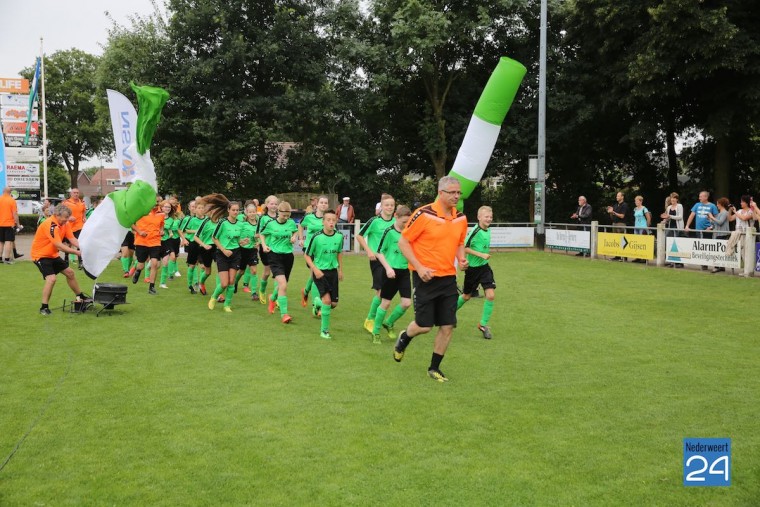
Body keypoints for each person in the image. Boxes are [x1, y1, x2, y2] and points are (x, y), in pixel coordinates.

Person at [393, 176, 469, 383]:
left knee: (447, 326)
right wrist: (419, 267)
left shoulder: (461, 218)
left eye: (458, 193)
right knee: (424, 326)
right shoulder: (423, 214)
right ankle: (405, 337)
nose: (456, 196)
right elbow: (403, 242)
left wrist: (461, 259)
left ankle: (434, 368)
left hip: (448, 279)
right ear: (441, 193)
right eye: (452, 192)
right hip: (424, 277)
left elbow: (460, 242)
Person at [32, 204, 91, 315]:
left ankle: (80, 296)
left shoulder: (65, 224)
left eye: (67, 217)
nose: (66, 220)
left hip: (52, 254)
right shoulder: (50, 225)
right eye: (64, 217)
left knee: (70, 273)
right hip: (40, 255)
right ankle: (44, 307)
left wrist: (83, 248)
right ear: (56, 215)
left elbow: (72, 239)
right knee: (52, 279)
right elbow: (59, 245)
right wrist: (76, 252)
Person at [370, 205, 413, 344]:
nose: (406, 224)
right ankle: (376, 332)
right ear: (396, 216)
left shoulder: (409, 232)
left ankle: (389, 323)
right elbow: (379, 252)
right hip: (390, 272)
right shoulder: (389, 232)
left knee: (406, 303)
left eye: (408, 222)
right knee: (386, 303)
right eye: (404, 222)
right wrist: (388, 268)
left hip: (404, 271)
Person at [357, 193, 395, 333]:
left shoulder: (396, 222)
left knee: (386, 292)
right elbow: (359, 235)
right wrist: (368, 251)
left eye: (392, 205)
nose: (389, 207)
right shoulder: (374, 221)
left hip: (391, 262)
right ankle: (370, 319)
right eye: (387, 205)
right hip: (376, 260)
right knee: (380, 290)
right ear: (382, 206)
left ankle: (376, 320)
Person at [457, 206, 497, 338]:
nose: (489, 219)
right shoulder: (475, 231)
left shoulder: (488, 229)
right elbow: (465, 247)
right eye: (486, 217)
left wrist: (483, 258)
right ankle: (448, 313)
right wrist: (481, 255)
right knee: (466, 296)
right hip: (473, 270)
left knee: (490, 295)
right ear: (479, 217)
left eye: (490, 217)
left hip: (484, 268)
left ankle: (483, 324)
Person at [304, 209, 344, 339]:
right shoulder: (316, 237)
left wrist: (340, 270)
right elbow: (307, 256)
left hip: (333, 273)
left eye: (333, 220)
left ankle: (317, 303)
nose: (331, 222)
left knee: (333, 304)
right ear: (323, 222)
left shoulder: (339, 236)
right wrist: (315, 269)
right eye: (328, 220)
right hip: (320, 272)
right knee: (327, 301)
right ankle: (324, 331)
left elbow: (339, 253)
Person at [259, 201, 298, 324]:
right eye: (284, 215)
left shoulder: (291, 223)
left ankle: (273, 297)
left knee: (283, 284)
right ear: (278, 212)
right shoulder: (271, 224)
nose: (286, 218)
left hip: (288, 256)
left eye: (288, 216)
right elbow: (261, 234)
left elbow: (295, 231)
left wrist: (294, 237)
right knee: (283, 285)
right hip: (274, 256)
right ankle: (284, 314)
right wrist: (264, 245)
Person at [207, 195, 243, 313]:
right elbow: (214, 238)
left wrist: (243, 242)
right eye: (233, 210)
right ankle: (213, 297)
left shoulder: (240, 224)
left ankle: (227, 305)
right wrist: (223, 250)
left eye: (237, 210)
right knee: (224, 283)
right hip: (222, 254)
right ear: (228, 210)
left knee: (232, 281)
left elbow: (238, 240)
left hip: (236, 253)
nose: (235, 212)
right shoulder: (222, 222)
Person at [298, 195, 329, 307]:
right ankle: (316, 305)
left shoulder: (329, 219)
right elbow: (300, 226)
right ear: (317, 204)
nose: (323, 204)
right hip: (309, 250)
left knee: (315, 274)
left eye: (326, 203)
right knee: (317, 275)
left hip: (322, 251)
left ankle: (305, 291)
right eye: (322, 202)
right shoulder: (309, 217)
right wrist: (301, 238)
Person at [131, 198, 164, 295]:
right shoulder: (141, 212)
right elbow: (131, 223)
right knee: (141, 264)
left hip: (155, 242)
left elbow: (162, 225)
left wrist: (161, 230)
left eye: (157, 202)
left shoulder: (161, 214)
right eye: (154, 201)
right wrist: (140, 232)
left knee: (155, 264)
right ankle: (137, 271)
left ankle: (151, 287)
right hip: (142, 242)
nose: (155, 204)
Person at [256, 195, 279, 304]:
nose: (273, 206)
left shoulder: (280, 217)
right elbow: (258, 233)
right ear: (267, 204)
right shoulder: (262, 218)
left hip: (277, 248)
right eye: (271, 203)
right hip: (265, 248)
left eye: (275, 204)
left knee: (277, 273)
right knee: (267, 272)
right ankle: (262, 290)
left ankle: (277, 298)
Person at [236, 201, 260, 299]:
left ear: (256, 212)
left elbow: (263, 236)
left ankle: (254, 293)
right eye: (250, 212)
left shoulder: (259, 224)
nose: (252, 214)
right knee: (241, 271)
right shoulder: (242, 224)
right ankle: (235, 283)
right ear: (246, 213)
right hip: (242, 250)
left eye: (254, 212)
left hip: (253, 250)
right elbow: (238, 238)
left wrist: (259, 242)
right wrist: (241, 242)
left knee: (254, 271)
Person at [178, 199, 203, 294]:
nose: (194, 208)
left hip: (202, 244)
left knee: (203, 266)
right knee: (192, 264)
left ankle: (199, 283)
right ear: (189, 208)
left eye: (196, 206)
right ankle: (191, 285)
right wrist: (184, 239)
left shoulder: (205, 219)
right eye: (193, 206)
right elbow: (181, 229)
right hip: (191, 242)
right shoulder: (187, 219)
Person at [62, 188, 87, 268]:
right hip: (69, 227)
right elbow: (61, 213)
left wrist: (84, 218)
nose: (76, 194)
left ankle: (81, 262)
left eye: (77, 193)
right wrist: (68, 218)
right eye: (74, 193)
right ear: (71, 194)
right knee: (68, 245)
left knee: (79, 244)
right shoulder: (66, 203)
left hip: (79, 226)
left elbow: (83, 212)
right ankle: (66, 259)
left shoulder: (82, 203)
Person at [661, 192, 684, 268]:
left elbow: (680, 217)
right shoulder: (668, 207)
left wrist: (669, 216)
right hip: (670, 227)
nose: (672, 200)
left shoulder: (679, 206)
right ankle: (671, 261)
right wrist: (664, 219)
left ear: (677, 199)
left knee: (676, 245)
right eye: (671, 198)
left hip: (677, 228)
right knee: (668, 243)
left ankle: (679, 262)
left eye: (674, 198)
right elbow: (668, 218)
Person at [707, 198, 731, 273]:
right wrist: (710, 219)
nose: (717, 205)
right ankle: (720, 266)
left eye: (718, 204)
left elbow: (720, 222)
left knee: (718, 251)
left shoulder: (724, 212)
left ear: (721, 204)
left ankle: (717, 266)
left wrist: (712, 217)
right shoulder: (720, 213)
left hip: (722, 234)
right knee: (718, 251)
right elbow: (715, 223)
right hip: (718, 234)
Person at [606, 191, 630, 261]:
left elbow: (622, 216)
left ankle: (624, 257)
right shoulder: (615, 205)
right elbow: (612, 217)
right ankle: (617, 256)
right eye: (617, 196)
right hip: (614, 224)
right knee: (616, 241)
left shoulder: (625, 205)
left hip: (621, 224)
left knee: (622, 241)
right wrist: (610, 212)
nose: (617, 197)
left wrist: (613, 212)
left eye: (618, 196)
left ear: (622, 197)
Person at [0, 186, 20, 264]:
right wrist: (18, 224)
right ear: (10, 192)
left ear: (3, 191)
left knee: (1, 242)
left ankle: (0, 258)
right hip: (9, 224)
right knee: (8, 241)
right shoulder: (12, 201)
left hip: (0, 224)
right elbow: (15, 214)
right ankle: (7, 259)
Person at [631, 196, 651, 264]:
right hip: (636, 227)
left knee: (643, 243)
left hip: (643, 227)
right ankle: (638, 257)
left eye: (637, 201)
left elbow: (648, 218)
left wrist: (647, 227)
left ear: (640, 201)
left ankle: (644, 258)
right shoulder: (635, 209)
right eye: (635, 201)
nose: (635, 202)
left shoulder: (644, 209)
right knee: (637, 243)